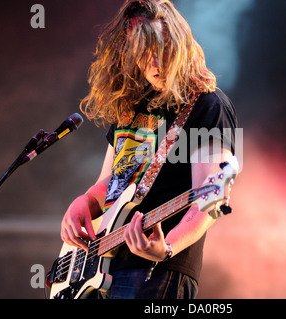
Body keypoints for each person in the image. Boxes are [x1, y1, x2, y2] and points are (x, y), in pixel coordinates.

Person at [59, 0, 237, 299]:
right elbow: (114, 181)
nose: (154, 62)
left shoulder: (209, 104)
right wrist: (86, 202)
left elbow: (210, 197)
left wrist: (166, 248)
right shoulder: (132, 108)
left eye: (161, 50)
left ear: (180, 46)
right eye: (144, 53)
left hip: (157, 271)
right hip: (101, 265)